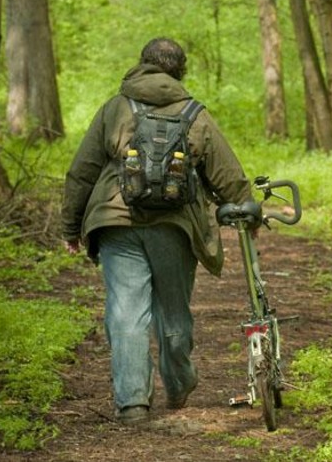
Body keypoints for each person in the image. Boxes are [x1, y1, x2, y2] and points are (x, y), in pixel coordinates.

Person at [61, 37, 253, 425]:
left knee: (125, 311)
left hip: (117, 222)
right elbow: (226, 173)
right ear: (180, 71)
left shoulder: (115, 108)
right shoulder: (195, 113)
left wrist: (70, 226)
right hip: (174, 224)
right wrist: (246, 209)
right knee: (173, 309)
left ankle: (132, 402)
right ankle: (179, 382)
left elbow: (83, 170)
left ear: (142, 64)